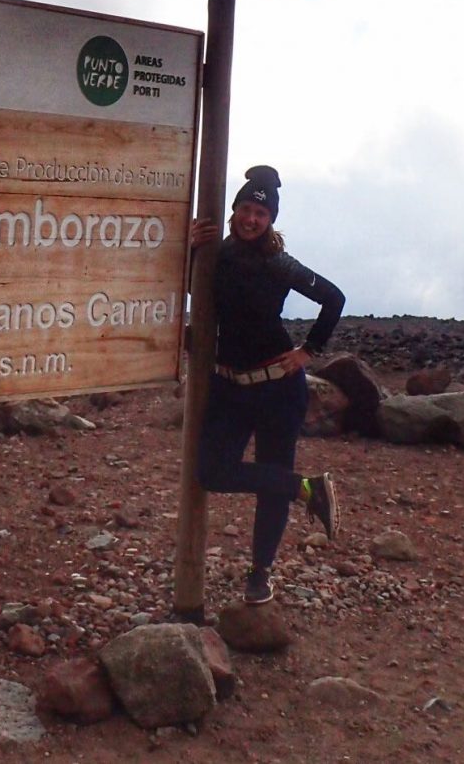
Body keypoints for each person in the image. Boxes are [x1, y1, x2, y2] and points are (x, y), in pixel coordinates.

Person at [190, 165, 345, 605]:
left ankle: (261, 574)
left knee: (269, 476)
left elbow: (333, 299)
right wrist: (189, 251)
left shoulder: (279, 264)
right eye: (245, 208)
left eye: (261, 212)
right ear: (234, 211)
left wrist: (308, 351)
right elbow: (193, 293)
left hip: (278, 389)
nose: (251, 218)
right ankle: (306, 489)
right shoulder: (215, 255)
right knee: (211, 471)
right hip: (230, 388)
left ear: (271, 219)